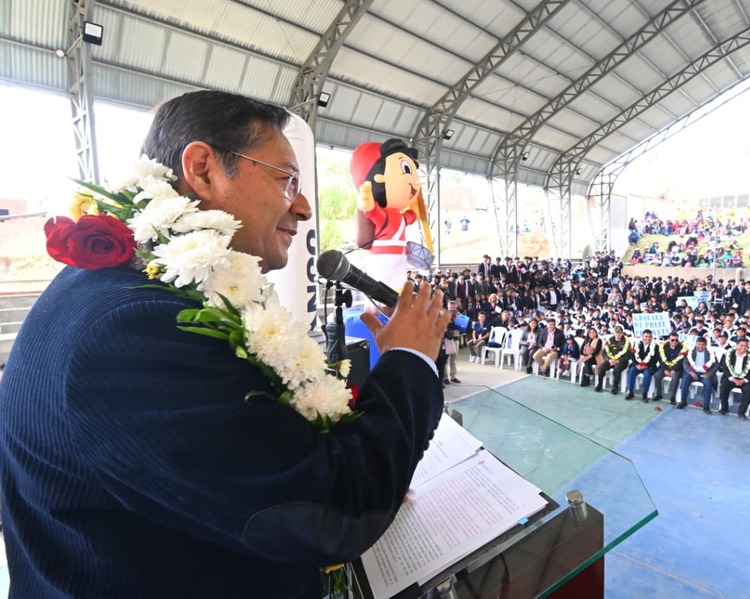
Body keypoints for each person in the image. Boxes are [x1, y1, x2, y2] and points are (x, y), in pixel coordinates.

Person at [0, 91, 450, 598]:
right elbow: (332, 513)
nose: (303, 207)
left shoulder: (142, 294)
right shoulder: (133, 331)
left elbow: (253, 462)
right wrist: (409, 359)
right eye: (287, 179)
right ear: (203, 169)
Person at [679, 337, 718, 412]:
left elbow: (716, 365)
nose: (700, 346)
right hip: (693, 372)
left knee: (708, 383)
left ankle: (706, 405)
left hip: (705, 373)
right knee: (685, 379)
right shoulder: (691, 352)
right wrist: (691, 372)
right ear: (696, 344)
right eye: (699, 344)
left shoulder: (710, 353)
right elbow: (685, 364)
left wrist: (709, 374)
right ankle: (683, 401)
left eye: (703, 345)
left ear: (706, 345)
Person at [717, 338, 750, 415]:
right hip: (731, 377)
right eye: (741, 345)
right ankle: (724, 408)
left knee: (749, 390)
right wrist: (732, 379)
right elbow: (724, 368)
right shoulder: (728, 354)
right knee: (723, 386)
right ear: (736, 345)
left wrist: (744, 380)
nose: (743, 348)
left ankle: (742, 412)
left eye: (746, 346)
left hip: (744, 379)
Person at [595, 326, 631, 395]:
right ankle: (599, 385)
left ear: (622, 333)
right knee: (601, 367)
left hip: (622, 362)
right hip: (610, 360)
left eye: (620, 333)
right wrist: (608, 360)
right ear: (614, 333)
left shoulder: (626, 342)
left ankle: (615, 387)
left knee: (617, 369)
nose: (618, 334)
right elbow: (605, 352)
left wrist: (618, 361)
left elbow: (628, 355)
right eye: (617, 333)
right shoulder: (610, 341)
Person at [625, 329, 658, 401]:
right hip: (637, 365)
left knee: (647, 374)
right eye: (646, 336)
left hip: (648, 366)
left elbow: (655, 359)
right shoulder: (637, 343)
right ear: (642, 337)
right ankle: (630, 392)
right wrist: (637, 364)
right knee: (632, 371)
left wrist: (646, 365)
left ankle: (645, 394)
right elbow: (632, 355)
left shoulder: (655, 346)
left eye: (650, 337)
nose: (648, 338)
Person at [653, 333, 686, 403]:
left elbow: (682, 361)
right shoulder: (664, 347)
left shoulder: (682, 348)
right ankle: (658, 394)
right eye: (672, 340)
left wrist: (674, 370)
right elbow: (661, 359)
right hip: (665, 367)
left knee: (675, 377)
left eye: (676, 340)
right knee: (658, 375)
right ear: (669, 340)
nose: (674, 342)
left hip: (677, 369)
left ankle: (673, 397)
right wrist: (664, 369)